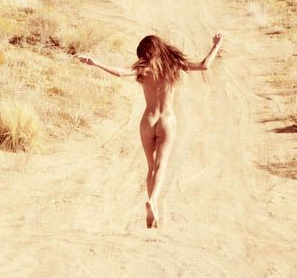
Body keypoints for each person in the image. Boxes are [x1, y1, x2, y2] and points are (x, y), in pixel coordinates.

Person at [78, 32, 224, 229]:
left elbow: (120, 73)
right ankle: (153, 201)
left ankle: (153, 208)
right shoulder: (173, 64)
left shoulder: (143, 69)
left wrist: (95, 63)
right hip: (167, 120)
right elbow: (204, 65)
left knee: (151, 166)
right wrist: (215, 45)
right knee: (161, 165)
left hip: (148, 120)